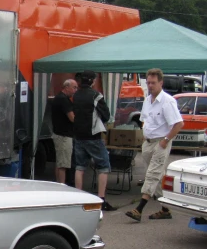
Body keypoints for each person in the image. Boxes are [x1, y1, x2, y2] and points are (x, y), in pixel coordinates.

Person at [125, 68, 184, 222]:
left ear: (161, 83)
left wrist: (165, 140)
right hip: (149, 142)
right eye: (148, 82)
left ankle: (139, 209)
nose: (150, 85)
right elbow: (144, 119)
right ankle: (165, 208)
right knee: (158, 176)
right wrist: (144, 134)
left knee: (152, 174)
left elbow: (178, 124)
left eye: (153, 83)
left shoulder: (167, 101)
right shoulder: (147, 100)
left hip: (161, 142)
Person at [72, 71, 116, 211]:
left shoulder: (76, 94)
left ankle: (78, 197)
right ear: (92, 81)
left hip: (78, 135)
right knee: (103, 166)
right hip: (93, 135)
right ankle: (101, 199)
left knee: (80, 166)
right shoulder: (96, 95)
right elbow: (106, 115)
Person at [51, 79, 77, 183]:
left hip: (58, 134)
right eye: (74, 87)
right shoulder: (63, 100)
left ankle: (58, 184)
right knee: (63, 164)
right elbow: (72, 118)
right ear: (66, 87)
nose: (75, 90)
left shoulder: (59, 98)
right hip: (64, 136)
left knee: (60, 162)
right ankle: (62, 186)